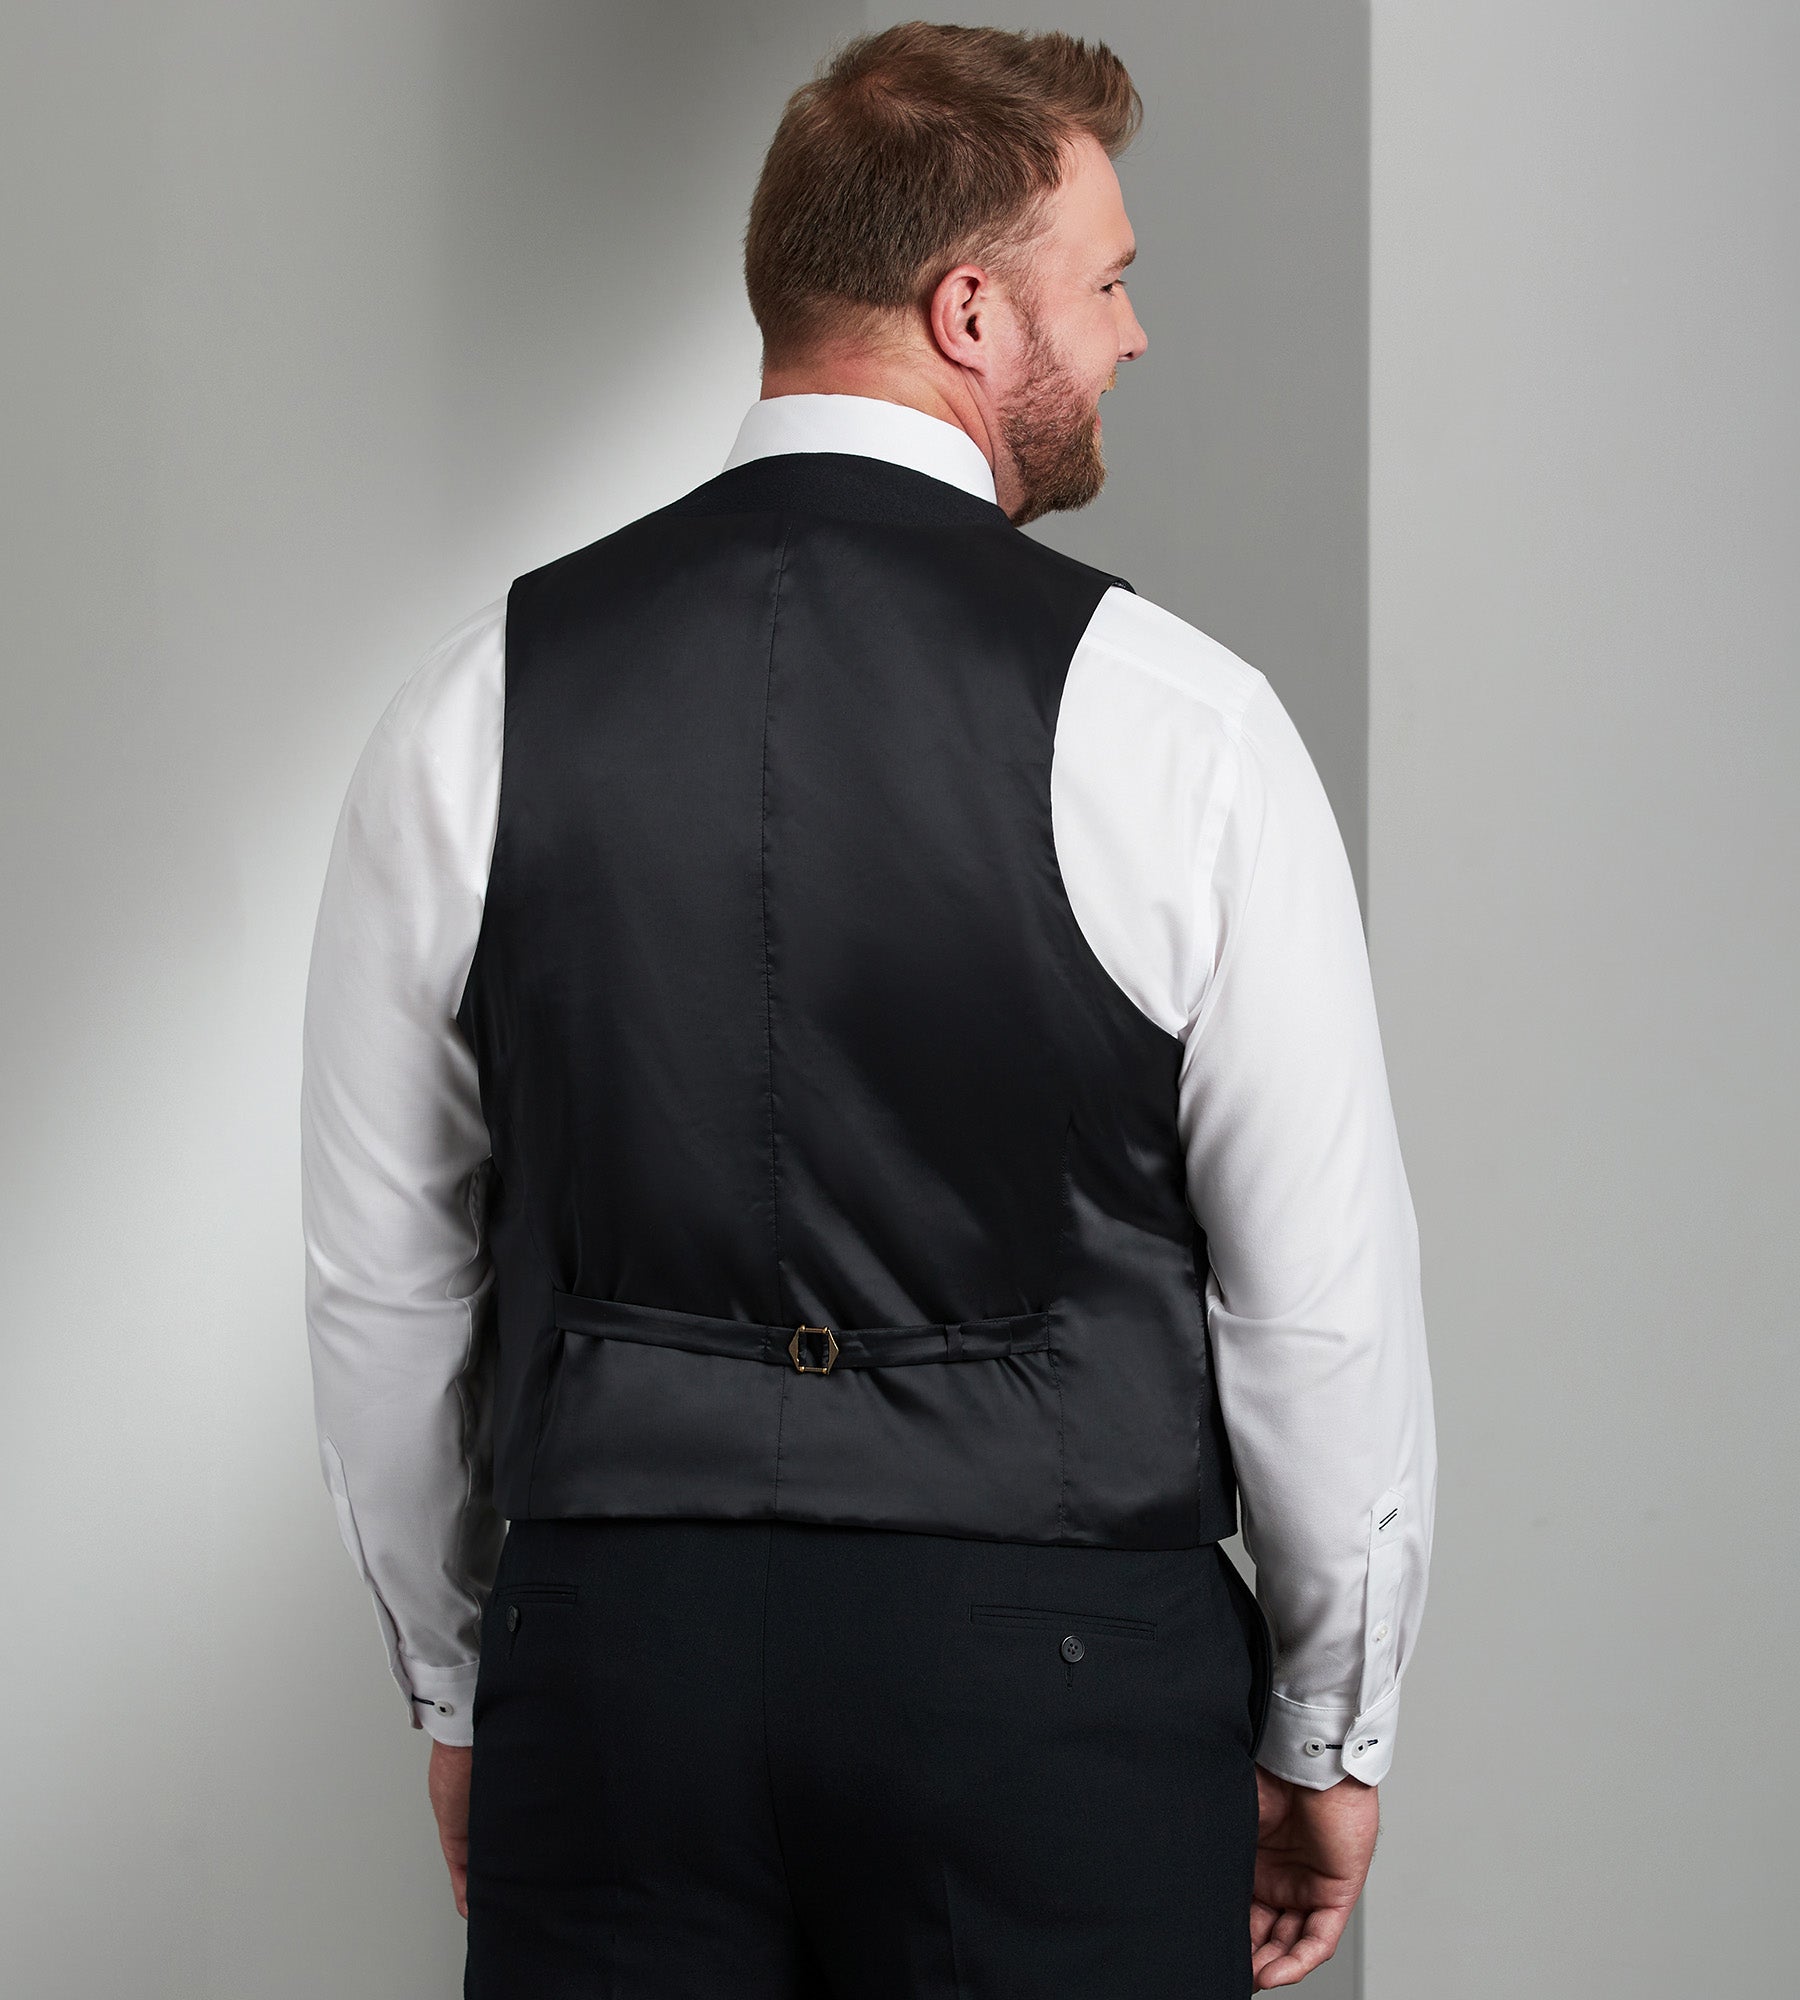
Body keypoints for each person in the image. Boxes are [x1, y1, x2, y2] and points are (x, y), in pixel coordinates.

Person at [302, 21, 1436, 1996]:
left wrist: (468, 1680)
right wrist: (1332, 1726)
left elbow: (383, 1286)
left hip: (616, 1669)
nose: (1138, 333)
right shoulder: (1182, 723)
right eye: (1110, 282)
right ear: (972, 311)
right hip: (1056, 1685)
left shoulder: (471, 701)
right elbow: (1317, 1301)